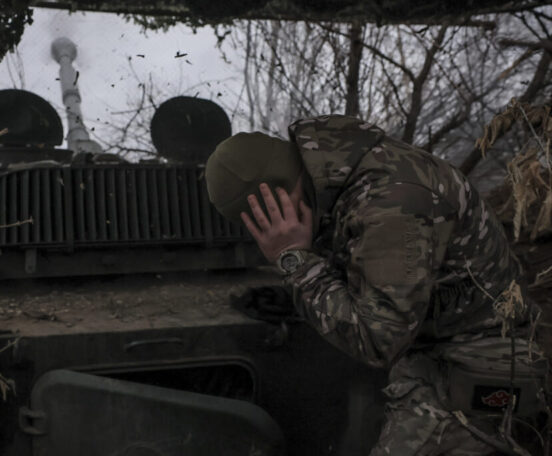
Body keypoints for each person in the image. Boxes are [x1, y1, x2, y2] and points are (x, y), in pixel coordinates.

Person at [205, 115, 547, 455]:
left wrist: (293, 260)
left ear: (274, 200)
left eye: (265, 218)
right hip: (432, 343)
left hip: (484, 356)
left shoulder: (390, 203)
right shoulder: (343, 173)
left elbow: (378, 341)